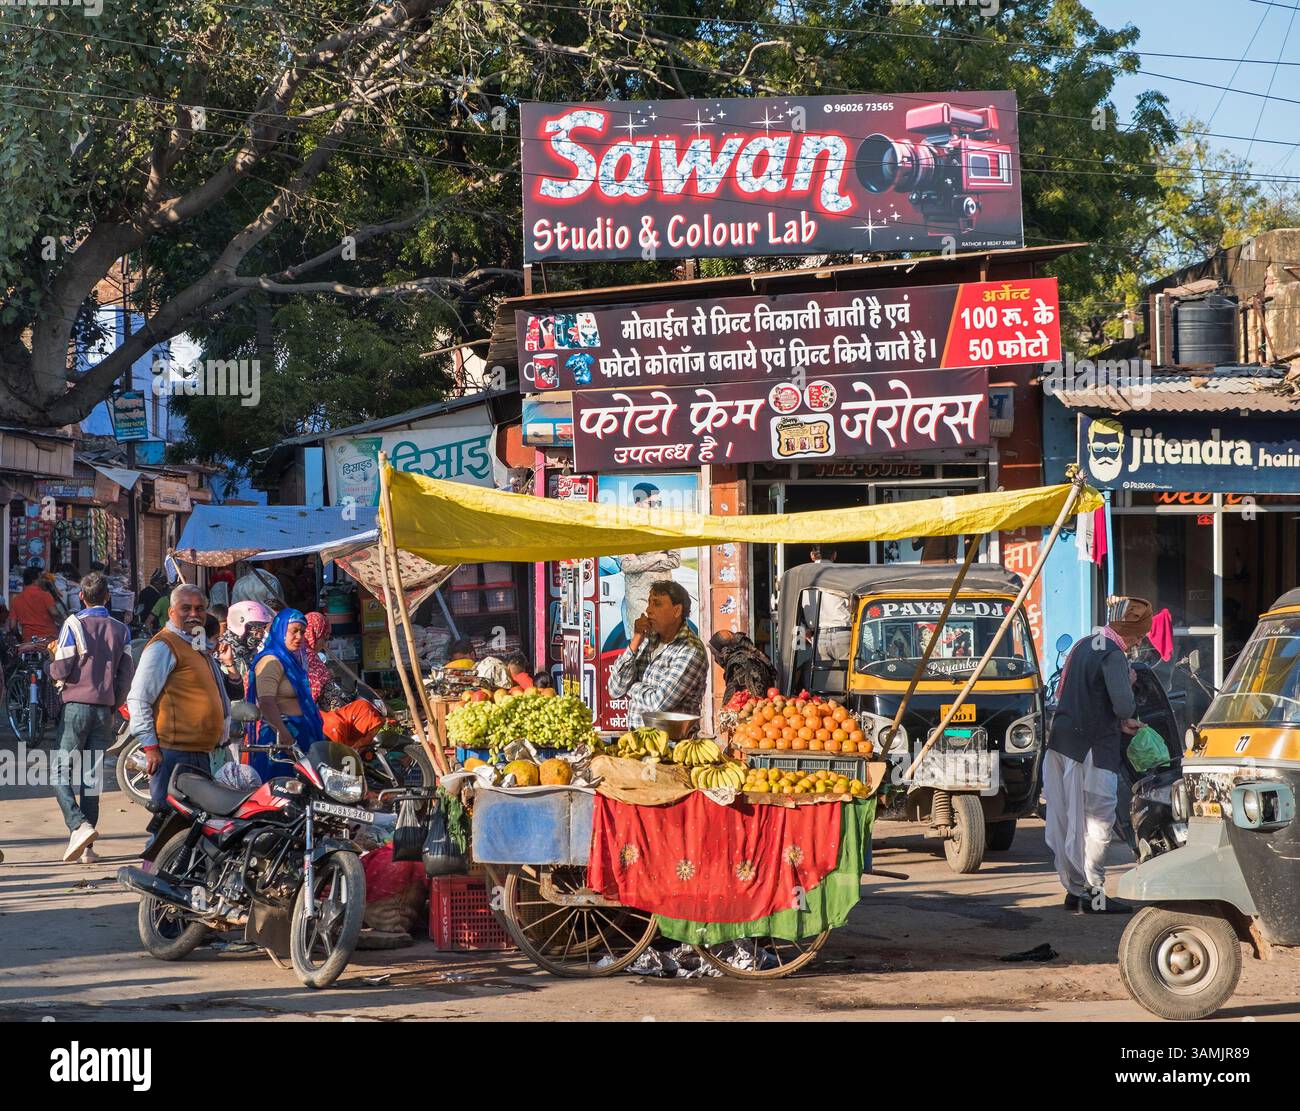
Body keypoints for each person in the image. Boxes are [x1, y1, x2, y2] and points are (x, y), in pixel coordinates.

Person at [1044, 596, 1153, 915]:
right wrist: (1129, 684)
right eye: (1140, 634)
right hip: (1090, 750)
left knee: (1066, 820)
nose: (1141, 640)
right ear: (1132, 632)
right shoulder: (1113, 654)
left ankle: (1074, 889)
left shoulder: (1083, 644)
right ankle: (1094, 894)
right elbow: (1123, 706)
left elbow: (1075, 693)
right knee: (1096, 822)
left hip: (1062, 742)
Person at [49, 572, 134, 864]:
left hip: (76, 707)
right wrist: (114, 704)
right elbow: (126, 676)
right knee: (90, 778)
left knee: (59, 773)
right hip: (104, 710)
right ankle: (87, 849)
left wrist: (52, 667)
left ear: (81, 597)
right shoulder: (122, 630)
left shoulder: (73, 624)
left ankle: (78, 825)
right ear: (107, 597)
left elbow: (61, 669)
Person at [127, 585, 231, 810]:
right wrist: (150, 747)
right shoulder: (164, 646)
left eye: (199, 608)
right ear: (171, 612)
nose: (194, 614)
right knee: (169, 825)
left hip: (200, 754)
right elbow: (138, 698)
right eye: (186, 608)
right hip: (172, 755)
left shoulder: (195, 644)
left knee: (192, 829)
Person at [608, 580, 708, 728]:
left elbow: (658, 704)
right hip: (638, 741)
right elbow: (615, 689)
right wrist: (636, 640)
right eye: (649, 603)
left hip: (672, 745)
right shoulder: (647, 640)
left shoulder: (690, 650)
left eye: (657, 604)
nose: (648, 610)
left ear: (677, 611)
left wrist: (633, 686)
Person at [245, 608, 325, 780]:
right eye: (293, 631)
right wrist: (285, 736)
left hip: (298, 734)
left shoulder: (292, 661)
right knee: (283, 792)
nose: (299, 637)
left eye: (302, 632)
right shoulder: (271, 661)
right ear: (280, 630)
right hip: (280, 739)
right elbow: (266, 703)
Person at [708, 629, 778, 703]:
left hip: (756, 710)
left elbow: (729, 705)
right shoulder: (753, 657)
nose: (715, 659)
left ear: (723, 652)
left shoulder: (738, 665)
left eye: (715, 654)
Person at [809, 546, 852, 662]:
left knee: (824, 679)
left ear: (812, 555)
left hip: (819, 636)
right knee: (848, 678)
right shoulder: (842, 574)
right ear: (834, 555)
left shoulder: (805, 577)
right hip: (843, 632)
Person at [8, 566, 61, 643]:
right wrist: (63, 623)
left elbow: (13, 626)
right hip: (49, 640)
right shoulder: (45, 595)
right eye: (40, 578)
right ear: (34, 580)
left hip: (28, 641)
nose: (43, 581)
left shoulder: (16, 600)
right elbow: (54, 613)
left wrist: (20, 639)